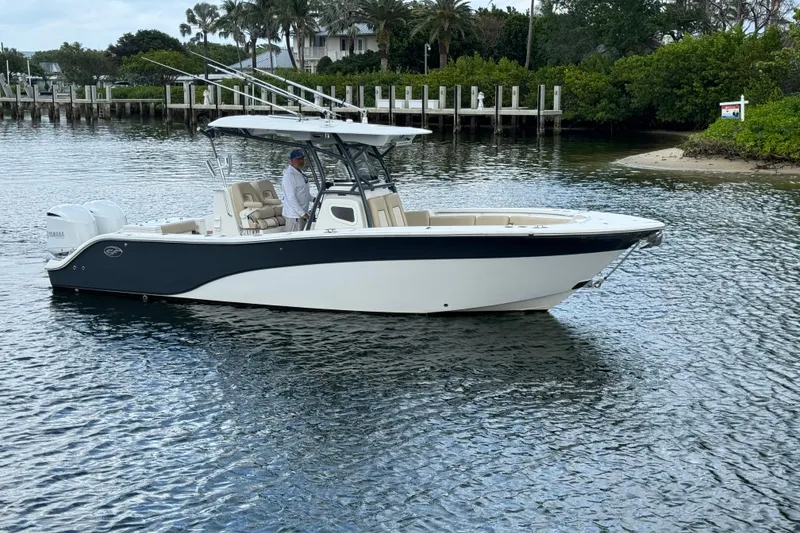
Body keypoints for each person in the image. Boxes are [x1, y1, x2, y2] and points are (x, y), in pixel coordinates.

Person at [281, 148, 313, 232]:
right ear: (291, 161)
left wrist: (314, 200)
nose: (301, 161)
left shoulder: (299, 173)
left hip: (301, 214)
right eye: (298, 159)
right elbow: (291, 197)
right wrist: (303, 214)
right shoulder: (289, 176)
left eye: (302, 159)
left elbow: (303, 192)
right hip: (294, 216)